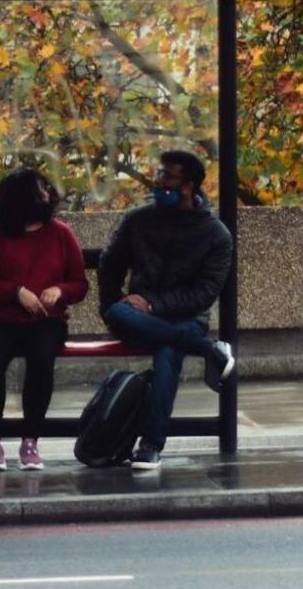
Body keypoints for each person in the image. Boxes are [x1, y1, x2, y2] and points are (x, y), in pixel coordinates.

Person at [96, 150, 236, 472]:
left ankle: (150, 445)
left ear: (188, 186)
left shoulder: (215, 234)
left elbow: (204, 293)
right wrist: (112, 303)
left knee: (169, 350)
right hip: (136, 316)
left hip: (183, 319)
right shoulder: (138, 219)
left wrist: (155, 304)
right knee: (118, 312)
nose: (159, 182)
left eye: (168, 177)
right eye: (159, 174)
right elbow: (109, 264)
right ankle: (209, 350)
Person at [0, 168, 87, 472]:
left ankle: (30, 441)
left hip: (46, 320)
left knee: (41, 362)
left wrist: (58, 291)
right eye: (40, 190)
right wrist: (16, 292)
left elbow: (79, 285)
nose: (47, 195)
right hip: (0, 317)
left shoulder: (61, 233)